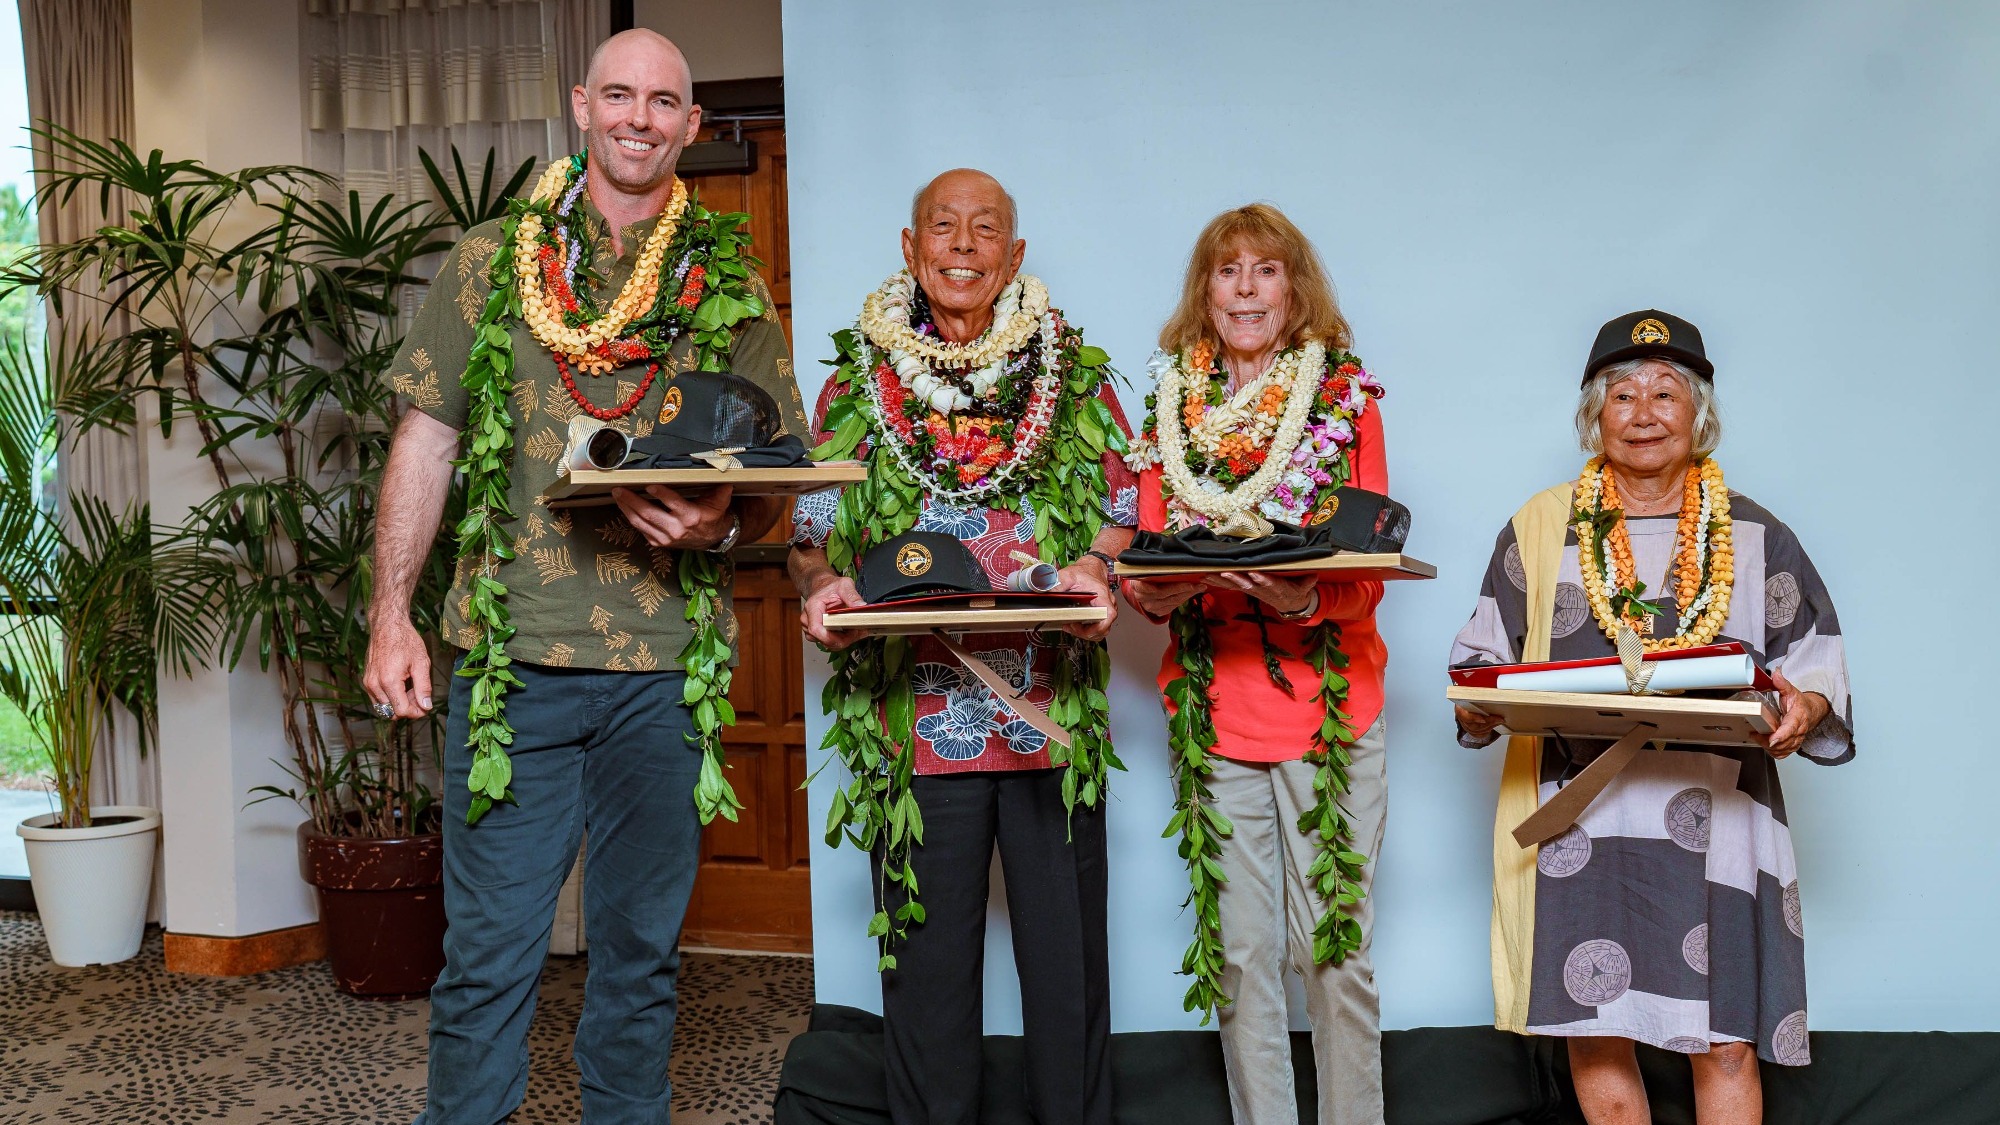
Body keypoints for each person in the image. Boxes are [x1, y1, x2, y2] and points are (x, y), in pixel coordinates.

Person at [361, 29, 807, 1124]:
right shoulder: (488, 259)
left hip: (665, 676)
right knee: (486, 965)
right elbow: (424, 441)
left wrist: (716, 525)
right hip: (512, 668)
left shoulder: (724, 273)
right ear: (579, 105)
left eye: (663, 102)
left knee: (640, 966)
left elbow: (783, 474)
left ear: (691, 127)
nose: (639, 119)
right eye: (619, 95)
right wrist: (389, 616)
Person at [787, 168, 1135, 1125]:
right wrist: (821, 586)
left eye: (988, 230)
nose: (965, 245)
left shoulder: (1074, 375)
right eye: (945, 227)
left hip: (1049, 717)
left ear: (1015, 256)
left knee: (1066, 976)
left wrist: (1101, 568)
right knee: (928, 980)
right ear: (912, 248)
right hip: (914, 720)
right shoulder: (855, 381)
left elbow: (1129, 513)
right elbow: (809, 539)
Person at [1449, 310, 1855, 1124]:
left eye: (1665, 392)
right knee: (1597, 1029)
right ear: (1593, 415)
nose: (1642, 412)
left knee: (1727, 1036)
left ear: (1697, 413)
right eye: (1621, 394)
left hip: (1724, 809)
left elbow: (1815, 665)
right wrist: (1485, 707)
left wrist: (1806, 706)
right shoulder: (1540, 530)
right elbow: (1478, 662)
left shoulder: (1754, 532)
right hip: (1582, 817)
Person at [1120, 203, 1392, 1125]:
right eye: (1226, 270)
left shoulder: (1345, 400)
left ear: (1294, 287)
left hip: (1329, 712)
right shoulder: (1168, 402)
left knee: (1333, 951)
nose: (1244, 286)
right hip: (1215, 709)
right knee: (1240, 956)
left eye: (1265, 270)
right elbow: (1150, 554)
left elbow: (1369, 569)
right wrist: (1150, 593)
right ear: (1204, 292)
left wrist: (1304, 598)